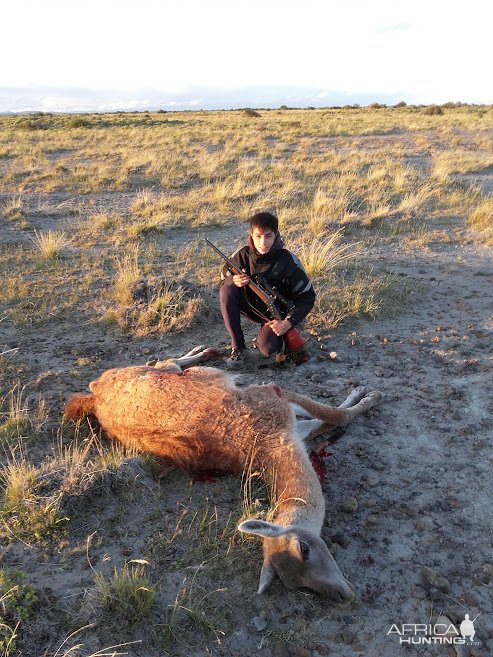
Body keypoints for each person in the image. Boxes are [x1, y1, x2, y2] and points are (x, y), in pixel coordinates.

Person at [219, 211, 315, 366]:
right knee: (227, 288)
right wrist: (233, 280)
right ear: (251, 235)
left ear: (276, 235)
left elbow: (307, 296)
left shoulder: (289, 261)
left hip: (277, 316)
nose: (263, 242)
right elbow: (223, 277)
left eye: (268, 236)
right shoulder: (242, 255)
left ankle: (280, 339)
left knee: (267, 348)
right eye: (258, 236)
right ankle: (238, 348)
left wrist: (288, 323)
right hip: (251, 306)